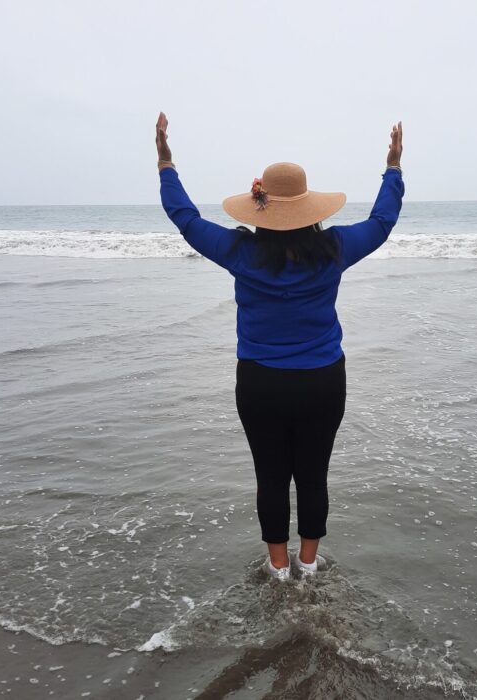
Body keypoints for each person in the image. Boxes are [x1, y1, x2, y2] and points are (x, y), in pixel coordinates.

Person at [156, 112, 404, 581]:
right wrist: (392, 169)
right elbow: (382, 221)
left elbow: (185, 219)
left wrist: (166, 162)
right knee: (313, 475)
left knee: (270, 477)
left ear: (262, 206)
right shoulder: (335, 249)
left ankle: (277, 569)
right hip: (322, 381)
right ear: (309, 208)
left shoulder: (239, 252)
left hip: (260, 383)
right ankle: (308, 566)